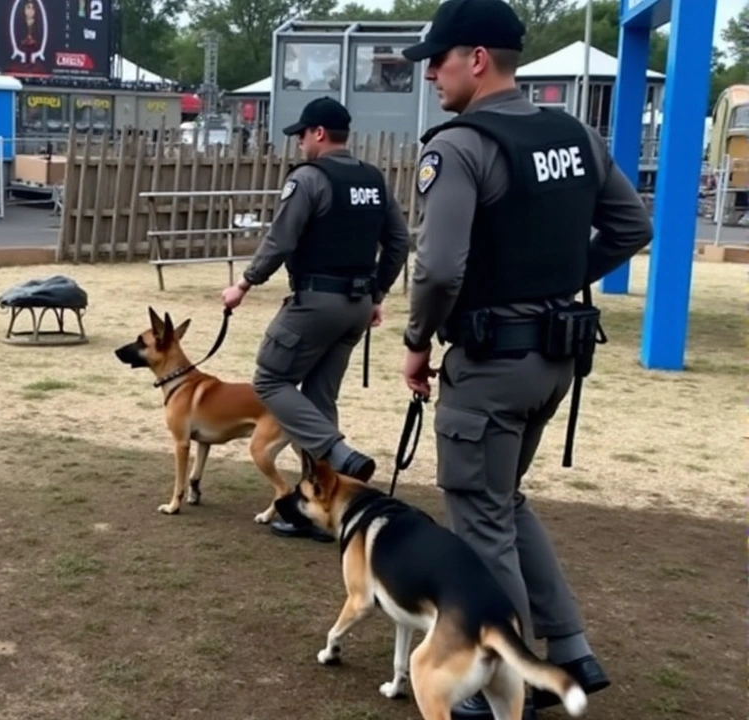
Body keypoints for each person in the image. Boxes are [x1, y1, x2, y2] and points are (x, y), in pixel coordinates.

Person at [399, 0, 654, 717]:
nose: (432, 79)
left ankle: (503, 681)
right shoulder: (573, 133)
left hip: (490, 361)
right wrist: (560, 276)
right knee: (504, 501)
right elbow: (633, 224)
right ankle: (570, 647)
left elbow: (441, 267)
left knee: (479, 514)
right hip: (557, 356)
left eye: (439, 62)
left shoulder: (459, 145)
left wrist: (418, 341)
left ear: (475, 59)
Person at [221, 97, 411, 542]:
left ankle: (336, 453)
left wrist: (245, 284)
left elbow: (281, 239)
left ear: (320, 134)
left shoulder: (309, 179)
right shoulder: (374, 179)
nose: (300, 142)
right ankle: (322, 508)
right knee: (319, 402)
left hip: (316, 302)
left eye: (303, 134)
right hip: (357, 307)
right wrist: (377, 292)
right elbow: (399, 242)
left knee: (269, 379)